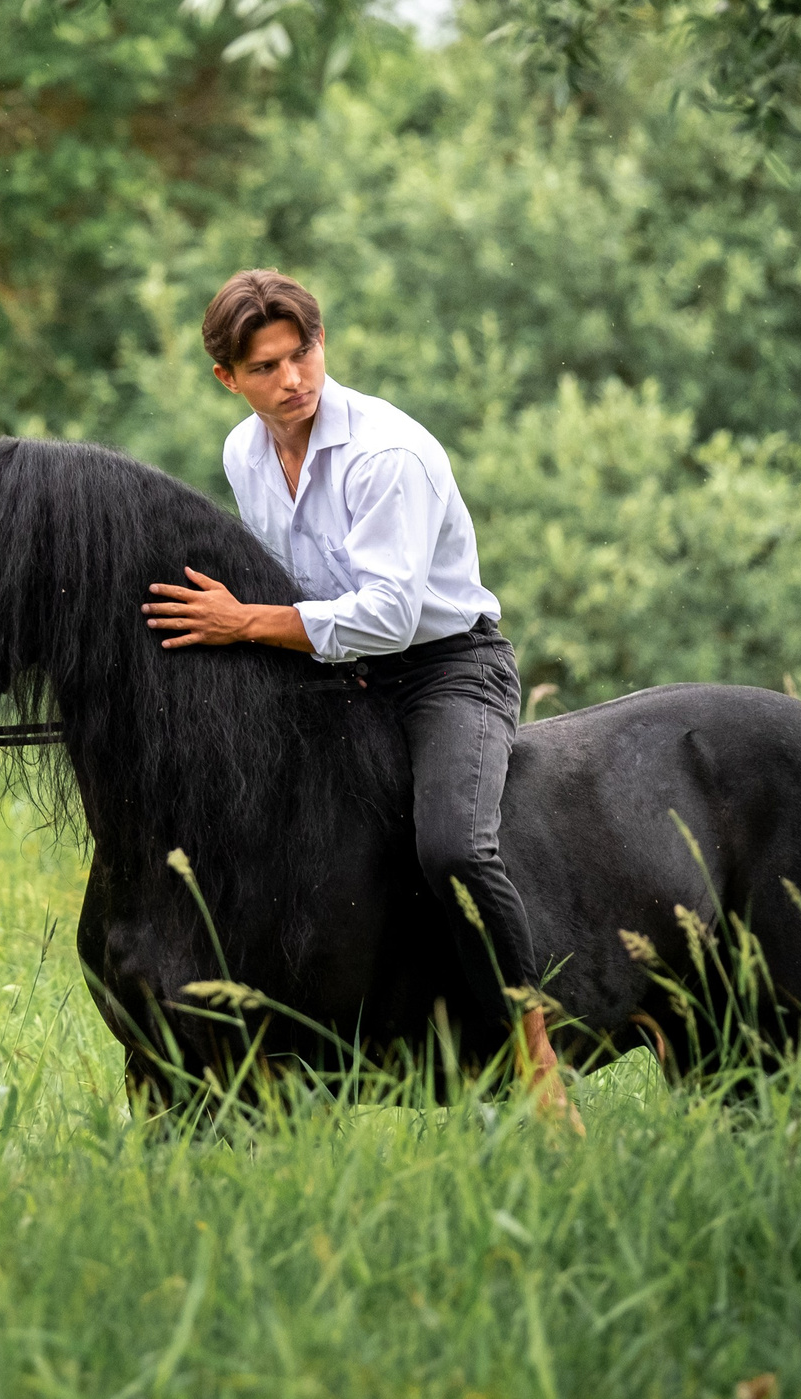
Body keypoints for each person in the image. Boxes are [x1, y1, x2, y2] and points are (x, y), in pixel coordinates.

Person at [142, 268, 579, 1126]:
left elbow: (387, 615)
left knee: (453, 845)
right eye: (264, 368)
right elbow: (285, 591)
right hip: (331, 669)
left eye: (300, 353)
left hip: (445, 666)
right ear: (228, 379)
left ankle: (537, 1057)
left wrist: (245, 625)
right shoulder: (244, 452)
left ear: (320, 342)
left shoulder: (389, 454)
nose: (291, 379)